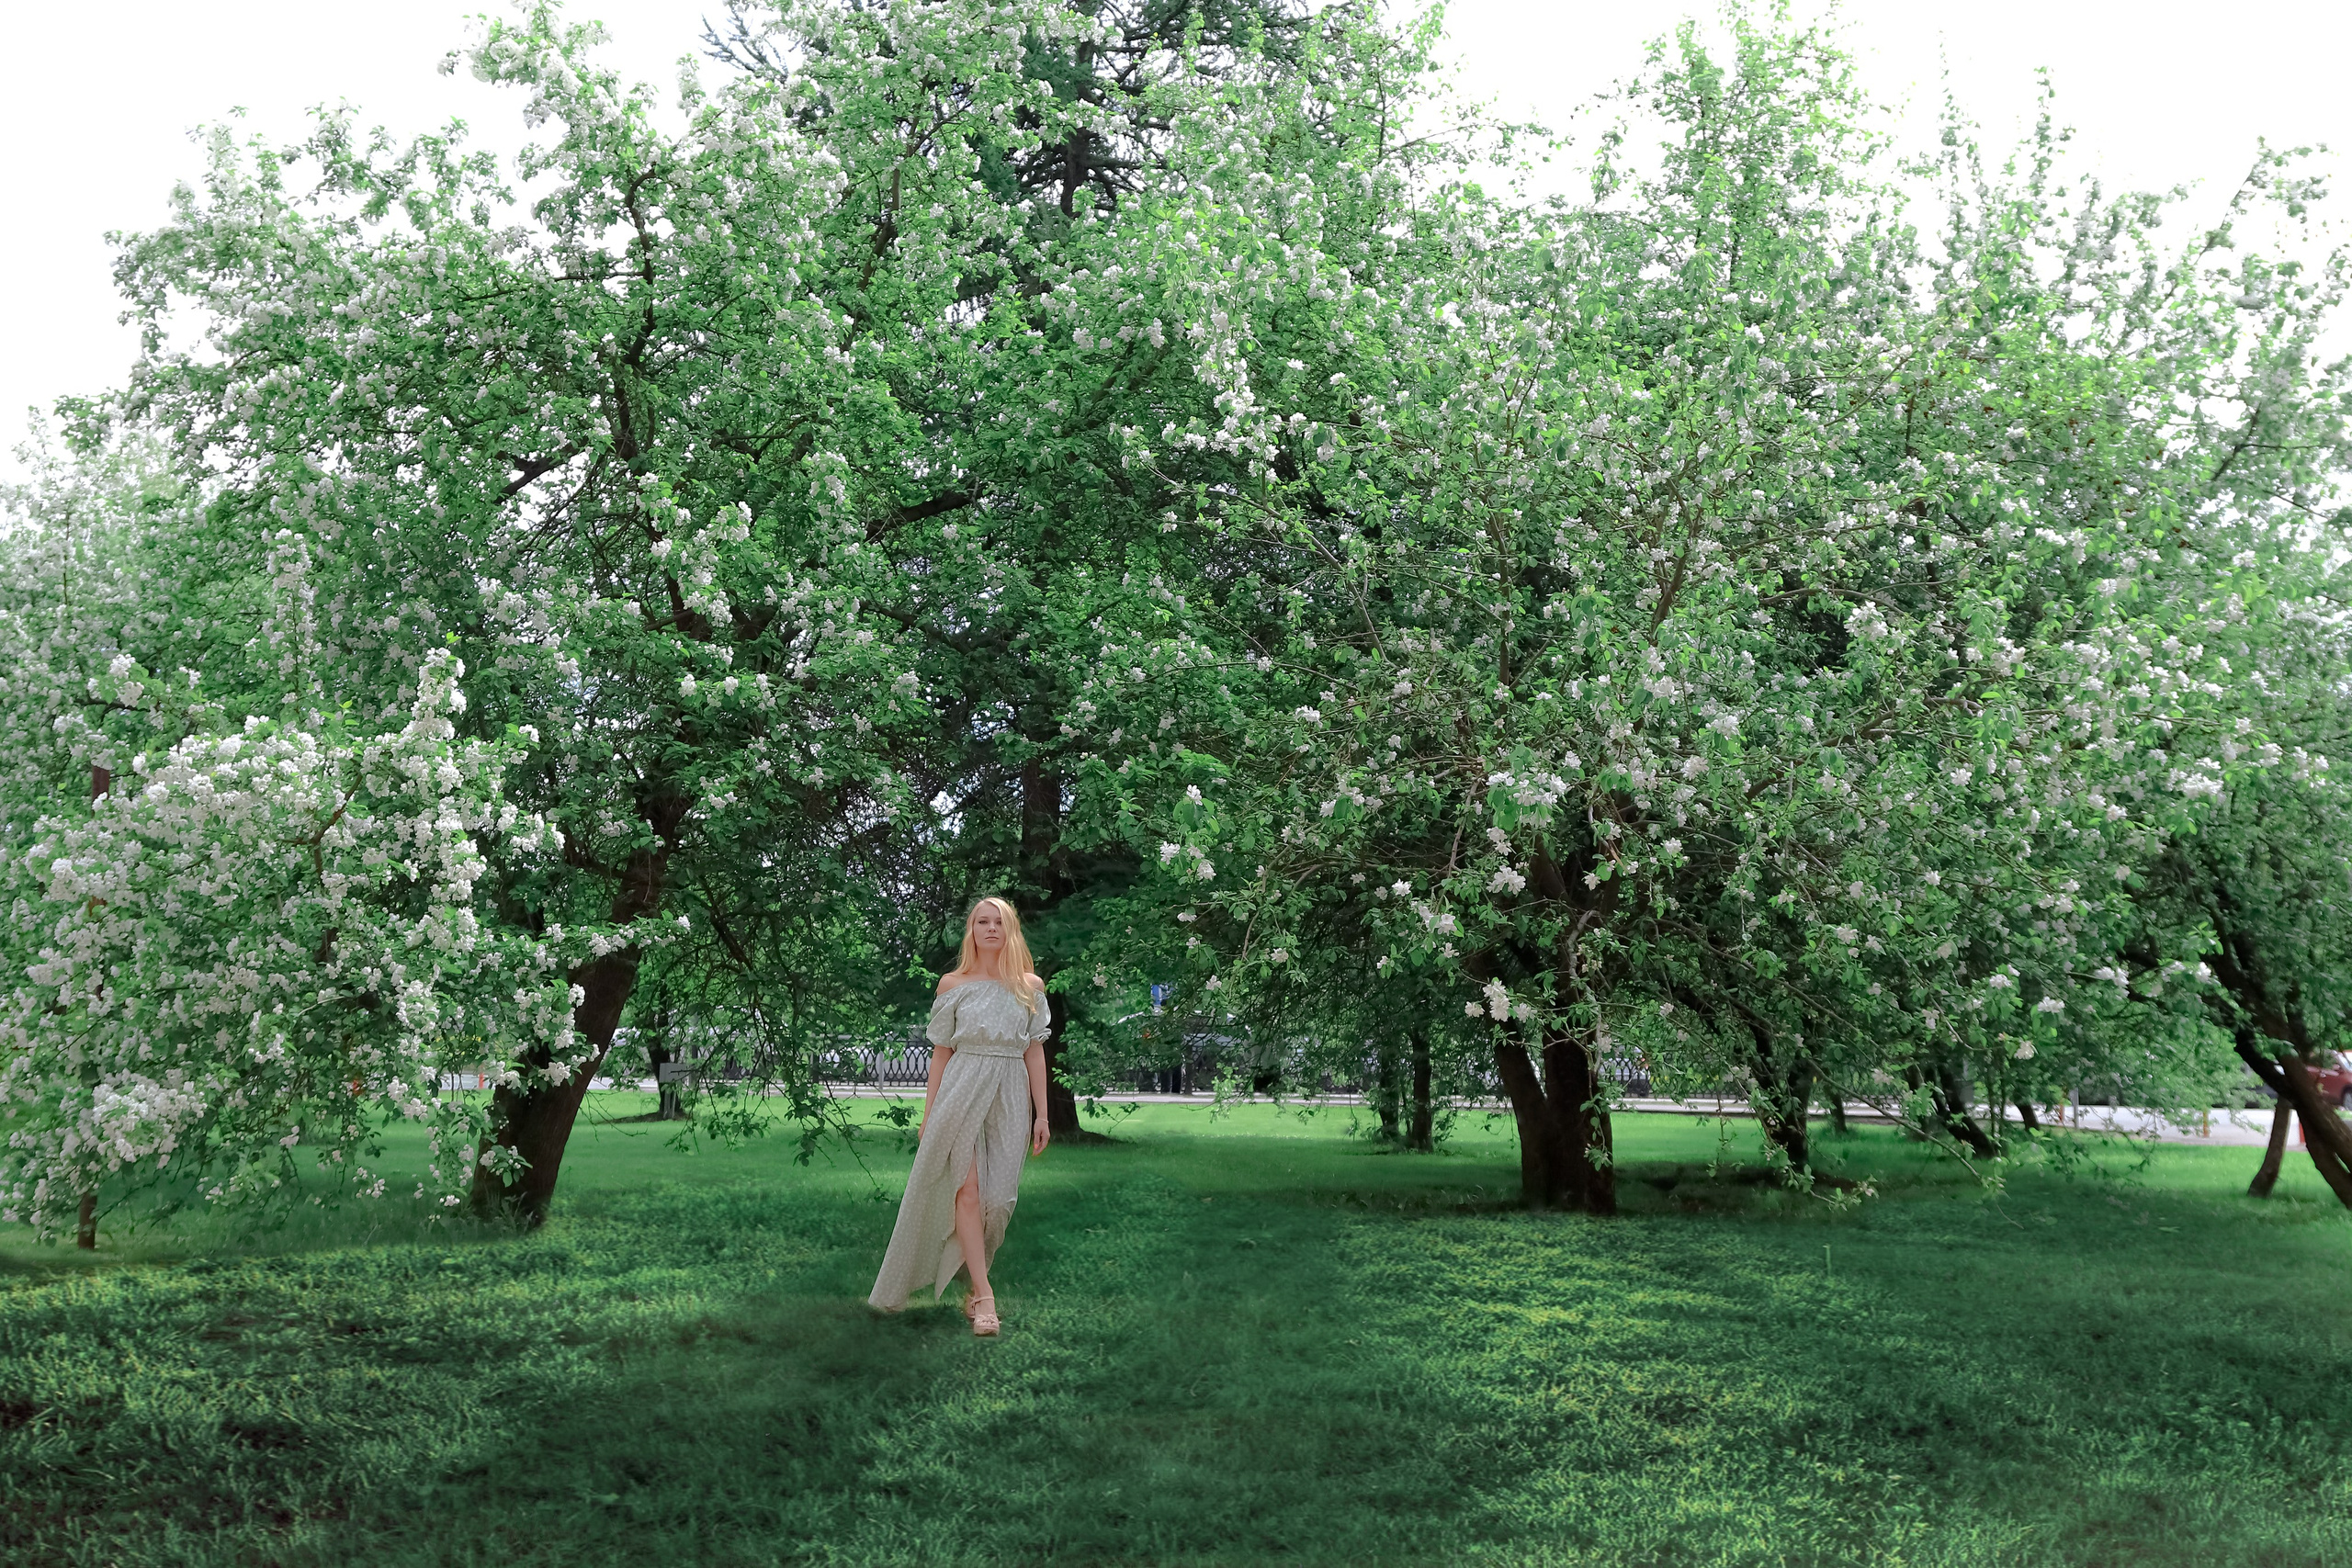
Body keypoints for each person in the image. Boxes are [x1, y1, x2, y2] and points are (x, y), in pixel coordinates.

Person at [867, 897, 1052, 1334]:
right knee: (965, 1192)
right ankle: (983, 1298)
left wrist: (1042, 1114)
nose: (991, 929)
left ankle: (973, 1282)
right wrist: (930, 1115)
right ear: (971, 931)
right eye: (981, 922)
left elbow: (1035, 1051)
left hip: (1010, 1090)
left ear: (1011, 931)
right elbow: (941, 1054)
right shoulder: (952, 984)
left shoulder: (1029, 985)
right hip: (961, 1086)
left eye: (999, 922)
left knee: (999, 1201)